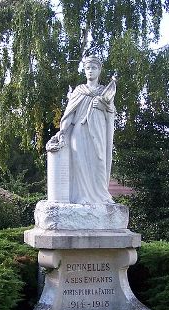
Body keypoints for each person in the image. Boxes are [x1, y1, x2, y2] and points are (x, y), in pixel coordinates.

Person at [47, 56, 116, 204]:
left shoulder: (104, 92)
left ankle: (101, 196)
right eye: (88, 68)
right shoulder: (79, 91)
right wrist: (62, 131)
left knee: (99, 162)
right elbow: (69, 114)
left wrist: (104, 106)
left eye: (94, 68)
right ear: (84, 71)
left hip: (98, 131)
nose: (90, 71)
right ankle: (81, 197)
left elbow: (111, 113)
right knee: (80, 163)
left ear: (99, 70)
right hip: (79, 131)